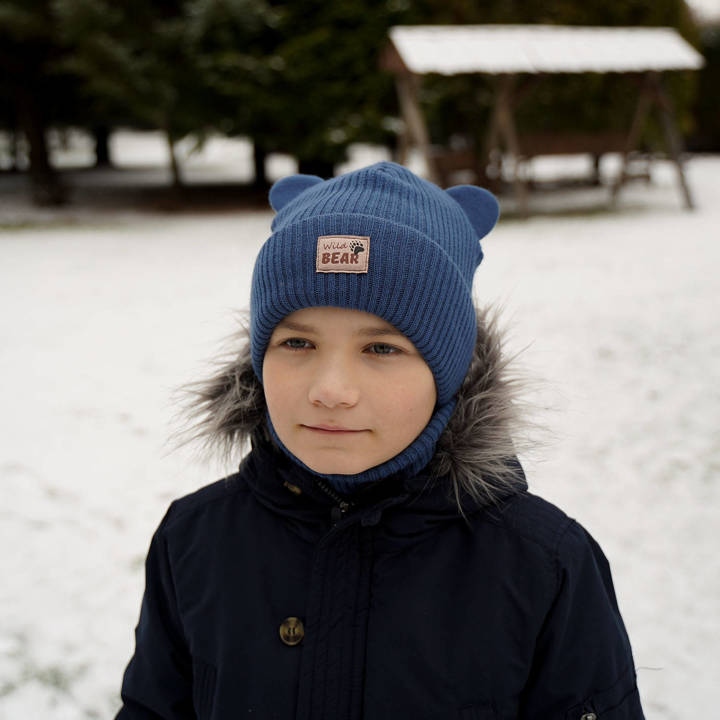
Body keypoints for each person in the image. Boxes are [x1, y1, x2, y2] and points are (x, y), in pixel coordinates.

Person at [115, 161, 645, 719]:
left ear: (449, 373)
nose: (331, 390)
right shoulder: (195, 539)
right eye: (297, 344)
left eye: (382, 349)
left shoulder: (543, 564)